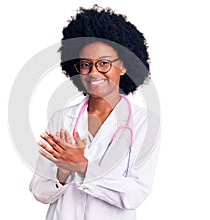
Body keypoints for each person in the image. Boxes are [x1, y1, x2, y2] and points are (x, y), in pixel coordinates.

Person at [29, 5, 160, 220]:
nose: (93, 73)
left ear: (124, 66)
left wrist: (81, 166)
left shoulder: (144, 122)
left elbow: (135, 193)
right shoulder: (62, 119)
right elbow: (39, 190)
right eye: (85, 65)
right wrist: (62, 173)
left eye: (104, 64)